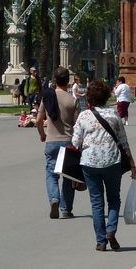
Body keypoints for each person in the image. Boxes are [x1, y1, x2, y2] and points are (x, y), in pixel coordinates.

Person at [72, 80, 136, 252]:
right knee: (114, 199)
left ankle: (101, 241)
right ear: (107, 96)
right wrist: (132, 164)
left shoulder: (83, 116)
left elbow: (75, 142)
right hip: (112, 162)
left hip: (89, 163)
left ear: (90, 98)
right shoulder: (113, 115)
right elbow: (124, 141)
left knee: (96, 202)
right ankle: (111, 231)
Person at [36, 66, 80, 219]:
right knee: (68, 177)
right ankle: (66, 209)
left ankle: (54, 199)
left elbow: (38, 120)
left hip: (52, 141)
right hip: (68, 141)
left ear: (55, 80)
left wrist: (42, 135)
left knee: (51, 174)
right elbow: (78, 125)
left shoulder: (48, 97)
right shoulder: (73, 100)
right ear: (68, 82)